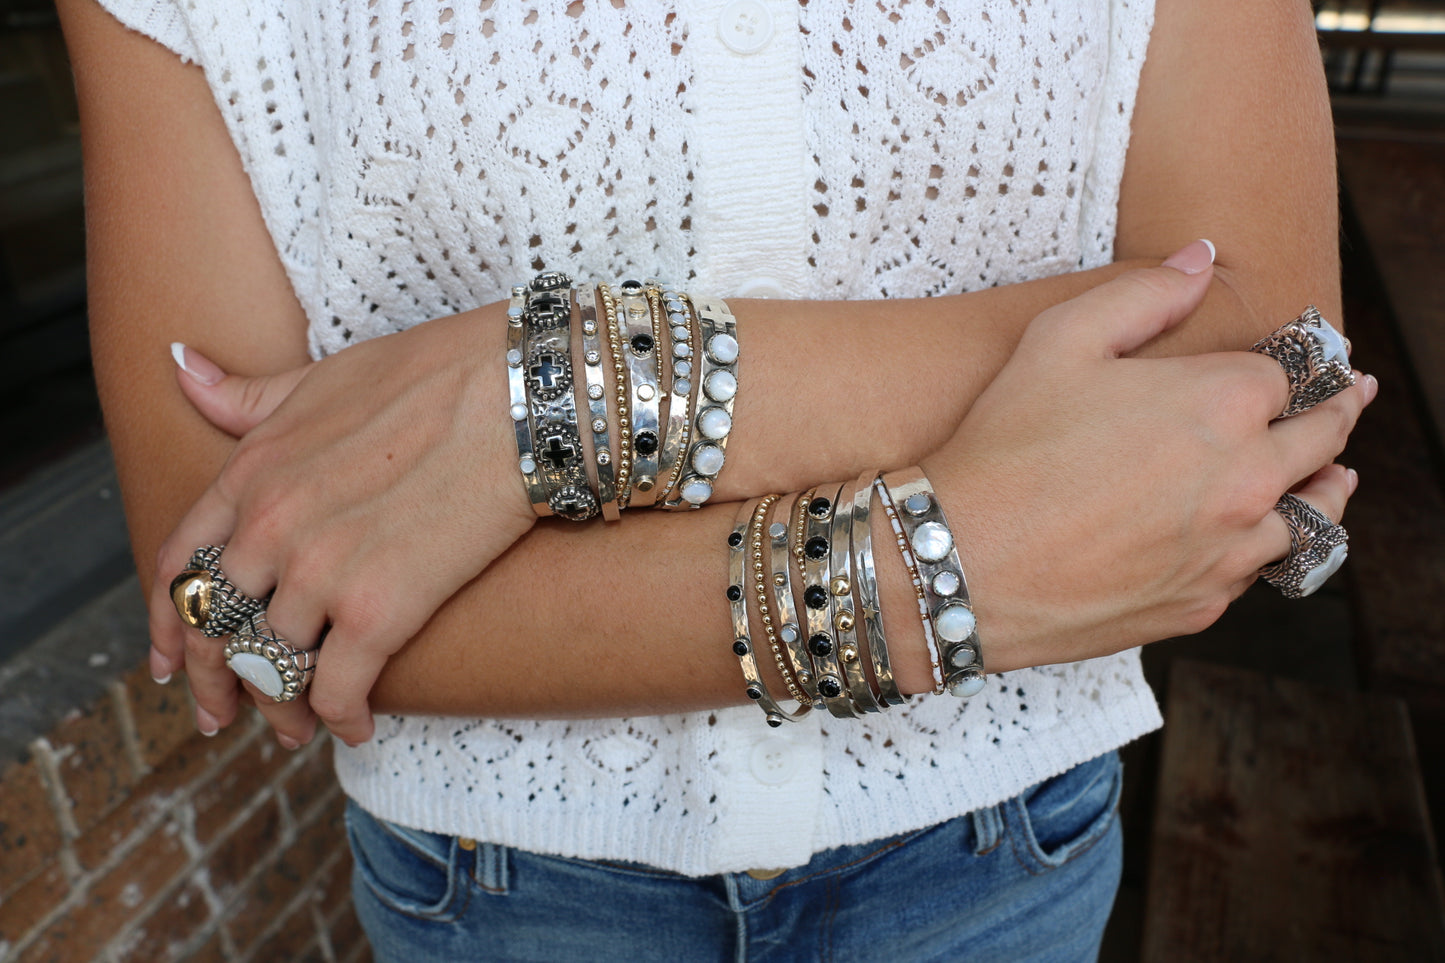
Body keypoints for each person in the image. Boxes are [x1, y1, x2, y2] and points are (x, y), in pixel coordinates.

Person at [57, 0, 1369, 959]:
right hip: (498, 891)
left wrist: (565, 395)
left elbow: (1268, 358)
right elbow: (233, 583)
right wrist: (931, 573)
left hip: (1002, 846)